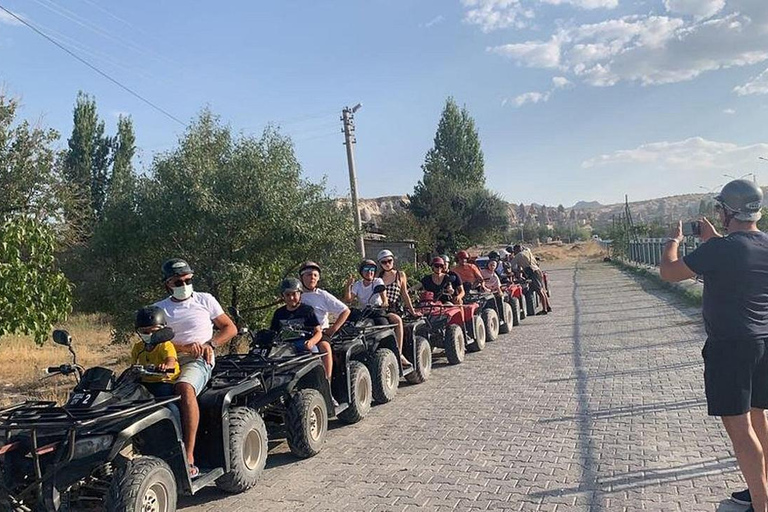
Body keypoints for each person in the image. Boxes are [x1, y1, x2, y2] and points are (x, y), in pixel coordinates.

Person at [660, 179, 768, 512]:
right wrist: (715, 241)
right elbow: (740, 260)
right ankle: (760, 489)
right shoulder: (758, 243)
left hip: (730, 347)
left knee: (739, 429)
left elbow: (669, 272)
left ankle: (762, 505)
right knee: (759, 417)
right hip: (763, 342)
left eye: (720, 208)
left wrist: (672, 241)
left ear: (728, 211)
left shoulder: (720, 249)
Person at [154, 258, 237, 478]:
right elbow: (152, 340)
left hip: (198, 361)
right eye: (178, 282)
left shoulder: (205, 300)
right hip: (167, 359)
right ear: (167, 284)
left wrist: (211, 344)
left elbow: (230, 328)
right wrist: (182, 347)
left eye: (187, 280)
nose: (183, 285)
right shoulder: (159, 309)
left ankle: (189, 456)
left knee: (184, 387)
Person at [344, 259, 410, 367]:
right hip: (365, 312)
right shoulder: (357, 284)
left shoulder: (378, 281)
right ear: (361, 272)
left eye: (372, 269)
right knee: (350, 325)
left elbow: (384, 296)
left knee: (388, 324)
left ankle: (398, 353)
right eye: (366, 269)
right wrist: (348, 286)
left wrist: (384, 302)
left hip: (378, 311)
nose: (369, 272)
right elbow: (348, 300)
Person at [270, 277, 326, 362]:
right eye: (288, 295)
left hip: (304, 345)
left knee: (315, 359)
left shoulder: (307, 310)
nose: (291, 298)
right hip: (283, 347)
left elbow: (318, 332)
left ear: (300, 294)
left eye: (294, 294)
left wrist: (311, 342)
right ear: (283, 296)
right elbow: (273, 332)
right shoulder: (279, 313)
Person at [132, 306, 180, 398]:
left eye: (153, 331)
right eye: (145, 332)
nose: (149, 334)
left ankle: (177, 412)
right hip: (145, 382)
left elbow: (171, 360)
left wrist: (166, 366)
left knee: (166, 402)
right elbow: (132, 366)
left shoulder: (165, 345)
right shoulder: (138, 347)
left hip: (164, 382)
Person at [298, 261, 351, 343]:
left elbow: (345, 311)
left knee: (324, 347)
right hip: (300, 335)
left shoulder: (322, 295)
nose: (312, 277)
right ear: (301, 277)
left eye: (315, 275)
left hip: (319, 335)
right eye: (309, 274)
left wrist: (332, 330)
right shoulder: (295, 295)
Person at [376, 249, 420, 318]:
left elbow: (404, 294)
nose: (387, 264)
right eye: (384, 262)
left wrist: (413, 311)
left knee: (397, 321)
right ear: (380, 264)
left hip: (394, 309)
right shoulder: (378, 277)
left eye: (389, 261)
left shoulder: (400, 275)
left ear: (393, 260)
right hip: (380, 309)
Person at [511, 244, 552, 314]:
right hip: (538, 270)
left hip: (532, 272)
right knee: (542, 290)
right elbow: (527, 248)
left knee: (539, 291)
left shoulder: (518, 256)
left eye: (514, 251)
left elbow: (512, 267)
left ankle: (544, 310)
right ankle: (548, 307)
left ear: (516, 250)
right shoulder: (527, 251)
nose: (513, 252)